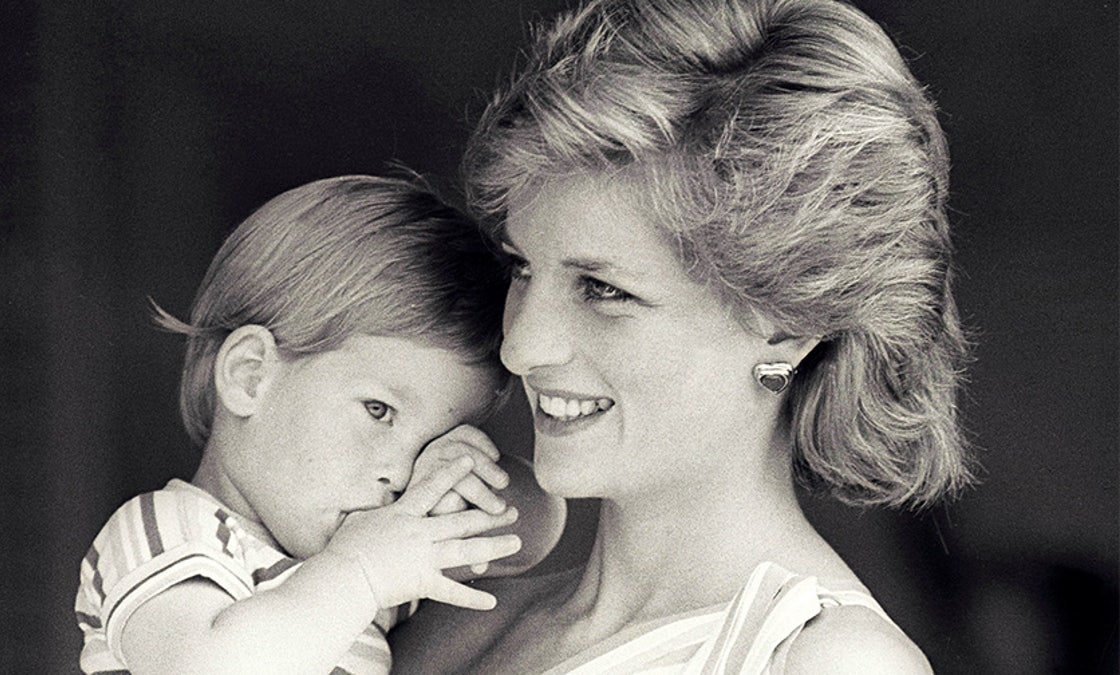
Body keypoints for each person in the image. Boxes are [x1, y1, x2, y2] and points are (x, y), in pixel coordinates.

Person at [389, 0, 973, 672]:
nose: (520, 346)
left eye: (604, 290)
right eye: (523, 267)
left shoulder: (824, 660)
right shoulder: (456, 622)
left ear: (788, 326)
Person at [73, 175, 566, 674]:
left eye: (428, 443)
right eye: (379, 411)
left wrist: (448, 480)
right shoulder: (168, 530)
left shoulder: (360, 555)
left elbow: (529, 530)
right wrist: (361, 573)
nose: (398, 474)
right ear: (251, 376)